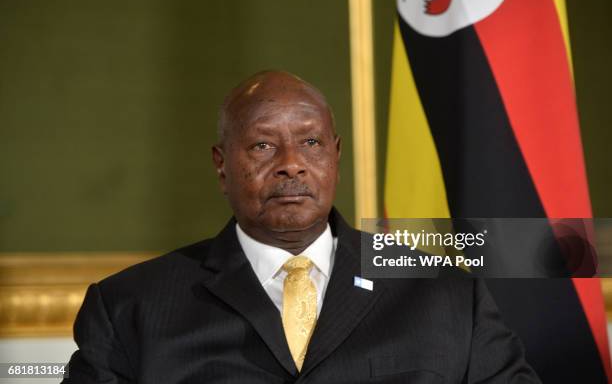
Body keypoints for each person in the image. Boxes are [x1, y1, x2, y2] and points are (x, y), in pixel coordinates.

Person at [62, 71, 540, 383]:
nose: (292, 165)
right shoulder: (130, 308)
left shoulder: (447, 297)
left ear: (335, 156)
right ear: (222, 165)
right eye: (263, 146)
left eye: (310, 142)